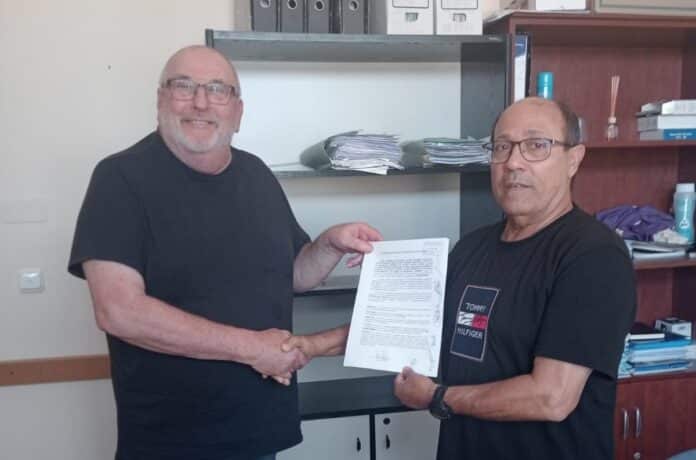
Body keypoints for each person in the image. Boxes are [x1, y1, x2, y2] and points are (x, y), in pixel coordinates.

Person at [67, 45, 381, 460]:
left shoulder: (256, 175)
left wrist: (329, 244)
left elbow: (292, 276)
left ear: (238, 111)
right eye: (184, 86)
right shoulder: (119, 178)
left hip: (260, 429)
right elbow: (119, 311)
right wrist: (253, 348)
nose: (201, 102)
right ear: (161, 99)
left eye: (218, 89)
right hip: (172, 442)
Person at [393, 97, 636, 460]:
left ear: (574, 159)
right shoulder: (471, 247)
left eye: (536, 145)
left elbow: (551, 398)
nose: (513, 163)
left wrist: (437, 396)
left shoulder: (593, 256)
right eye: (502, 147)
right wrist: (311, 345)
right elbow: (410, 322)